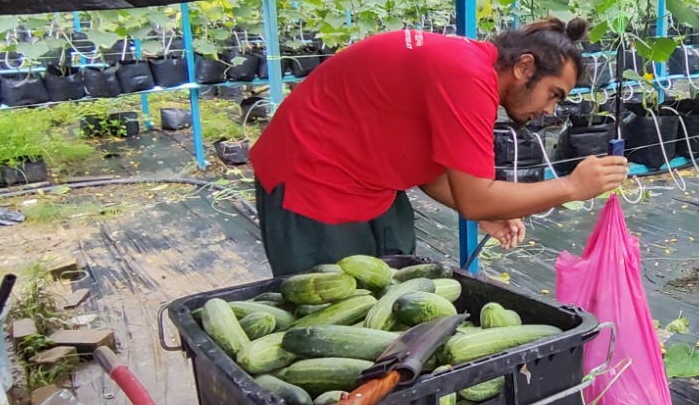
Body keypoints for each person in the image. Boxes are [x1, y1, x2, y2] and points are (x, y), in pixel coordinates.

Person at [248, 17, 630, 276]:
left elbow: (436, 172)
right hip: (309, 181)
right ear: (525, 67)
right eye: (554, 94)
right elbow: (475, 198)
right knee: (334, 313)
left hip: (367, 180)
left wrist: (489, 213)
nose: (550, 109)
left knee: (394, 290)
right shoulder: (467, 77)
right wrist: (571, 187)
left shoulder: (470, 67)